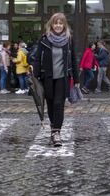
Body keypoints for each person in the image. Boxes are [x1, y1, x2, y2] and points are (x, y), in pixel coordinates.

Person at [33, 12, 79, 147]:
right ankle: (54, 129)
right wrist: (35, 78)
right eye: (56, 23)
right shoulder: (44, 39)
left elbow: (73, 59)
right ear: (51, 24)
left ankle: (56, 132)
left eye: (61, 23)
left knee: (59, 104)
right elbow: (37, 59)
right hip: (47, 77)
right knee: (51, 105)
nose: (58, 25)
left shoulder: (69, 39)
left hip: (63, 78)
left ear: (64, 25)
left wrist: (76, 78)